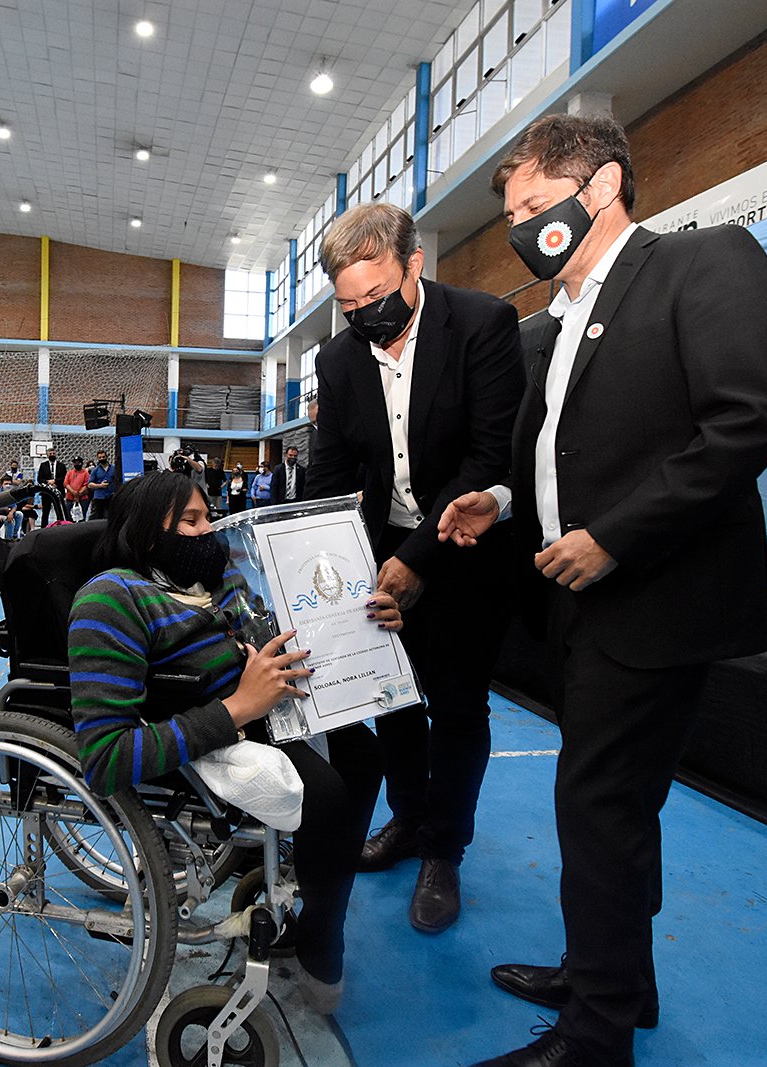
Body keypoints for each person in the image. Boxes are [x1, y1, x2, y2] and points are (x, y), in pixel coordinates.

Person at [440, 115, 767, 1067]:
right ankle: (612, 979)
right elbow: (562, 455)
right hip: (575, 600)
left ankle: (594, 1034)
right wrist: (502, 497)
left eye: (529, 205)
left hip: (654, 595)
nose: (519, 226)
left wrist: (613, 539)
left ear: (598, 188)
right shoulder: (553, 321)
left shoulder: (702, 263)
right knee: (612, 807)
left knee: (596, 806)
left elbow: (749, 418)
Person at [67, 471, 396, 1013]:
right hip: (209, 731)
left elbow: (282, 641)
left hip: (262, 713)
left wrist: (366, 626)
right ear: (149, 533)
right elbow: (105, 759)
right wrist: (239, 707)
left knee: (365, 754)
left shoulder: (218, 583)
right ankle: (320, 931)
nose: (209, 529)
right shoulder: (112, 599)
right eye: (191, 521)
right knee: (329, 795)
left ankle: (318, 904)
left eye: (208, 515)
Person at [304, 201, 523, 934]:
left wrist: (415, 559)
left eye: (377, 296)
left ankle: (442, 849)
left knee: (458, 708)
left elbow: (490, 455)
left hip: (464, 550)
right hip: (379, 550)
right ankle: (405, 819)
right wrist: (310, 563)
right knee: (393, 700)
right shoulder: (336, 360)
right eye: (349, 304)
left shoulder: (483, 324)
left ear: (414, 264)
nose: (365, 314)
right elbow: (329, 476)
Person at [35, 447, 67, 525]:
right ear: (47, 455)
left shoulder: (61, 465)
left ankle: (61, 527)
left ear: (56, 454)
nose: (52, 455)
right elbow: (39, 478)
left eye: (53, 453)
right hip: (46, 492)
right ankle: (43, 529)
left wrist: (55, 481)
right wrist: (48, 482)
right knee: (45, 512)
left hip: (58, 491)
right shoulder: (43, 465)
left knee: (59, 511)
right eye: (50, 454)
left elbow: (64, 477)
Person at [87, 449, 115, 520]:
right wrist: (100, 485)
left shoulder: (114, 468)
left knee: (111, 515)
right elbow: (90, 484)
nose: (102, 459)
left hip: (111, 496)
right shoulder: (95, 470)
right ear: (97, 458)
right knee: (98, 516)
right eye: (100, 457)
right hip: (99, 497)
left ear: (106, 456)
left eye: (103, 457)